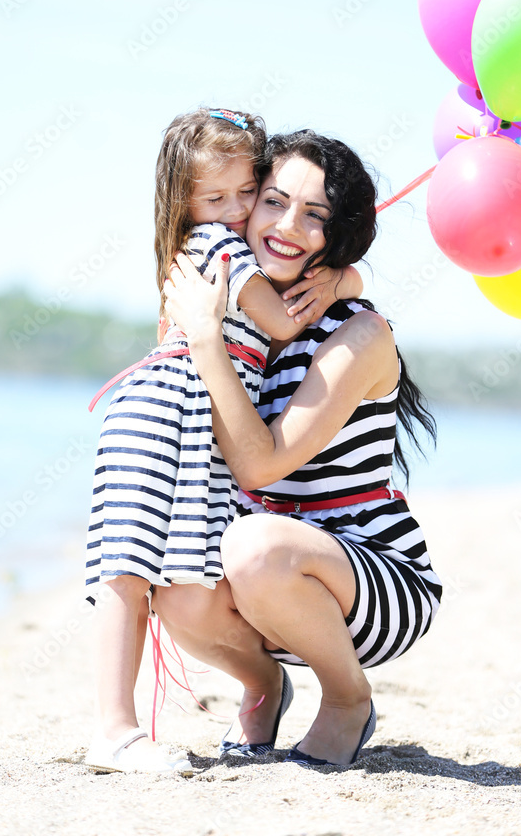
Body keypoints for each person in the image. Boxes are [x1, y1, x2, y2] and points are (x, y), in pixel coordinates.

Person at [83, 109, 363, 774]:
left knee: (176, 575)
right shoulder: (222, 247)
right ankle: (114, 728)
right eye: (218, 198)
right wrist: (338, 281)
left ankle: (244, 690)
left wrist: (338, 279)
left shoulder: (211, 245)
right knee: (125, 569)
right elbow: (282, 322)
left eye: (248, 193)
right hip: (165, 414)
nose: (237, 211)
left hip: (193, 422)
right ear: (185, 201)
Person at [156, 128, 442, 768]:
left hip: (374, 580)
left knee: (253, 543)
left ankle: (347, 698)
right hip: (269, 580)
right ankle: (263, 686)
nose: (287, 226)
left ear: (337, 233)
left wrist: (205, 341)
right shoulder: (241, 320)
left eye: (314, 216)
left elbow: (259, 465)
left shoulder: (359, 332)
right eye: (273, 202)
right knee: (174, 584)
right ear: (244, 206)